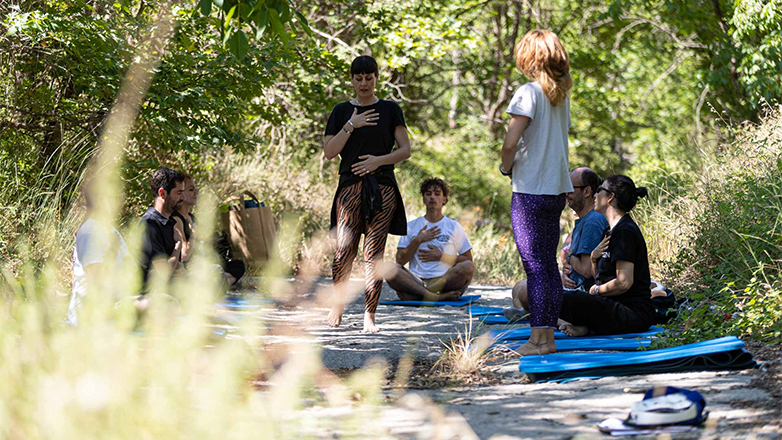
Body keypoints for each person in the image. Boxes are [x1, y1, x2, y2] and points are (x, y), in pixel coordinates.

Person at [323, 55, 412, 333]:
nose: (364, 83)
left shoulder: (389, 109)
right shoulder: (340, 111)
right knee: (344, 249)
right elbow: (329, 152)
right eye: (358, 78)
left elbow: (405, 150)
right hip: (349, 188)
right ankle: (337, 304)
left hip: (382, 187)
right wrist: (352, 124)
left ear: (376, 78)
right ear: (351, 80)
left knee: (373, 253)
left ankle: (369, 315)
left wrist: (378, 161)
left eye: (369, 78)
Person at [500, 29, 573, 355]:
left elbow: (510, 142)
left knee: (536, 267)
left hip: (530, 190)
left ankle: (538, 341)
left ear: (530, 57)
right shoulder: (559, 95)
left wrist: (505, 166)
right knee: (546, 266)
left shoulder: (529, 92)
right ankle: (547, 338)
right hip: (555, 189)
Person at [556, 174, 656, 336]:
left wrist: (595, 291)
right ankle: (584, 326)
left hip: (633, 313)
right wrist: (594, 259)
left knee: (562, 300)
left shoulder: (625, 232)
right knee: (551, 296)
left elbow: (624, 282)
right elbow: (601, 278)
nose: (595, 195)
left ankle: (582, 325)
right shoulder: (610, 230)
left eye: (600, 191)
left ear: (610, 197)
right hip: (612, 305)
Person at [506, 167, 607, 321]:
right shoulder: (585, 220)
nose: (566, 193)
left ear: (587, 192)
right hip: (573, 287)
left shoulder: (593, 221)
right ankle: (529, 311)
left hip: (582, 294)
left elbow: (587, 270)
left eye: (571, 188)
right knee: (520, 286)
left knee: (524, 290)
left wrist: (569, 259)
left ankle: (533, 313)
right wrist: (566, 271)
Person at [384, 178, 474, 301]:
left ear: (444, 200)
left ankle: (419, 295)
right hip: (416, 280)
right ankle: (432, 296)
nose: (432, 197)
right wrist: (417, 240)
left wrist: (442, 256)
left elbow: (468, 259)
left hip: (443, 282)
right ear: (423, 199)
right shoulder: (411, 226)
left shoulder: (453, 226)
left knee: (468, 267)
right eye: (428, 194)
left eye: (437, 194)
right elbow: (399, 260)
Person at [68, 182, 131, 326]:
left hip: (114, 307)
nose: (121, 201)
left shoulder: (112, 230)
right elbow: (96, 278)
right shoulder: (89, 231)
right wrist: (113, 250)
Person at [171, 175, 246, 288]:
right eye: (191, 190)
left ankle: (218, 284)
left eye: (196, 189)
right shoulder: (177, 219)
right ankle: (218, 285)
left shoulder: (192, 217)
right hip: (188, 269)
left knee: (238, 266)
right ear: (181, 193)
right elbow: (184, 255)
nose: (196, 192)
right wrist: (194, 234)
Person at [139, 168, 185, 292]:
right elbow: (164, 274)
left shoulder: (169, 222)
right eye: (178, 193)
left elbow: (177, 268)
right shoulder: (149, 224)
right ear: (162, 193)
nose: (183, 197)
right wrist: (178, 245)